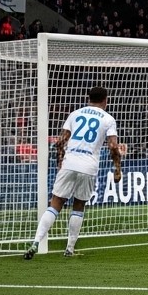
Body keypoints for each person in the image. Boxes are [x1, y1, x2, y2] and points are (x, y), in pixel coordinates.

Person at [24, 86, 121, 259]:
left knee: (55, 204)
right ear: (106, 100)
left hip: (70, 163)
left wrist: (60, 161)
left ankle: (35, 243)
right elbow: (113, 146)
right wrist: (117, 169)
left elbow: (61, 141)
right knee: (79, 205)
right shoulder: (108, 119)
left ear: (87, 98)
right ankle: (69, 249)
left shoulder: (75, 114)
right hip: (89, 166)